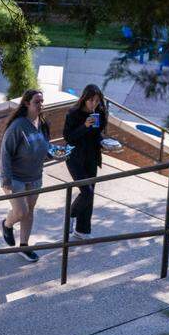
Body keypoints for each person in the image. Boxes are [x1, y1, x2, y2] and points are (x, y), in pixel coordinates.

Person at [0, 89, 51, 262]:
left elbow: (44, 146)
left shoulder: (42, 123)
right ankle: (6, 225)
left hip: (35, 176)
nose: (40, 105)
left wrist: (53, 154)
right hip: (15, 178)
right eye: (37, 101)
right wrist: (6, 179)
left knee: (29, 212)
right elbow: (5, 153)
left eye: (42, 101)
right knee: (21, 211)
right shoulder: (18, 126)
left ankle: (24, 246)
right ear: (27, 103)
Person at [64, 84, 107, 239]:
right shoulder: (73, 113)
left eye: (96, 101)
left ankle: (82, 230)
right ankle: (71, 214)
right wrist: (84, 126)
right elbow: (68, 138)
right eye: (91, 100)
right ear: (84, 99)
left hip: (92, 157)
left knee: (90, 193)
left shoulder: (99, 113)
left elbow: (97, 135)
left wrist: (104, 142)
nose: (93, 104)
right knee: (86, 192)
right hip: (75, 158)